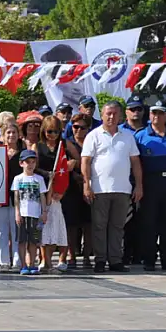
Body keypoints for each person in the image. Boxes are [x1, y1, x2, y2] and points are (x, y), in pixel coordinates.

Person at [81, 101, 142, 273]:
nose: (111, 116)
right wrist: (87, 184)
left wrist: (139, 185)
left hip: (122, 189)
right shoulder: (93, 135)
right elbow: (85, 161)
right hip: (100, 189)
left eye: (115, 113)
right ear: (101, 115)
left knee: (117, 226)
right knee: (99, 226)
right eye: (108, 113)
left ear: (120, 115)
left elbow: (135, 162)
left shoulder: (127, 136)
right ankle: (100, 260)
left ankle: (115, 260)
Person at [135, 98, 166, 271]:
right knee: (149, 222)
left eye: (160, 113)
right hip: (150, 181)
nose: (156, 116)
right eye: (153, 112)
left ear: (165, 115)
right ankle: (149, 260)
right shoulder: (141, 135)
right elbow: (136, 161)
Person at [36, 116, 68, 272]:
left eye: (56, 131)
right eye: (49, 131)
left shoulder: (64, 146)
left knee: (55, 227)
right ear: (43, 130)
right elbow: (34, 167)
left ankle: (52, 259)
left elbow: (74, 161)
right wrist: (48, 174)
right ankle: (44, 260)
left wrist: (68, 166)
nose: (53, 135)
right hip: (42, 191)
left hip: (58, 193)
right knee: (43, 228)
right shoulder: (38, 146)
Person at [0, 121, 23, 272]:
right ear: (2, 136)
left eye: (14, 132)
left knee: (17, 230)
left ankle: (17, 261)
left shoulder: (24, 152)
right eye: (8, 133)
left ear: (18, 134)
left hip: (19, 196)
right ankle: (3, 261)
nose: (11, 135)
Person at [62, 114, 93, 270]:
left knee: (89, 224)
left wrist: (78, 166)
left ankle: (87, 257)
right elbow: (63, 165)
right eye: (75, 127)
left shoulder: (93, 142)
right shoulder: (67, 144)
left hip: (90, 185)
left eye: (83, 127)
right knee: (71, 224)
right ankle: (71, 255)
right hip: (71, 187)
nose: (79, 130)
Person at [12, 150, 49, 275]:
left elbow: (42, 196)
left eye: (33, 162)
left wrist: (44, 212)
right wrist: (17, 212)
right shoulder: (18, 179)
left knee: (34, 241)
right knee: (22, 240)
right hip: (23, 213)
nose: (30, 165)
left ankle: (32, 264)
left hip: (35, 214)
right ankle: (23, 265)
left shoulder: (39, 179)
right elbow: (16, 196)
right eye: (28, 162)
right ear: (21, 163)